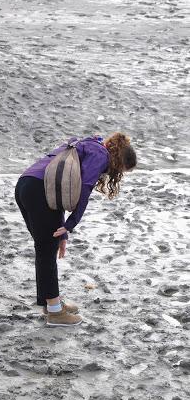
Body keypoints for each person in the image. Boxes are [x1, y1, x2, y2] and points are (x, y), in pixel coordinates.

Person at [15, 133, 136, 327]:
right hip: (40, 189)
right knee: (46, 249)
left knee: (46, 247)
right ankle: (55, 313)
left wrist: (63, 232)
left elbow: (61, 188)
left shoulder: (89, 144)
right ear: (118, 160)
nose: (115, 174)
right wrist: (71, 223)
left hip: (27, 184)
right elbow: (84, 188)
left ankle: (49, 302)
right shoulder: (100, 155)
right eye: (119, 170)